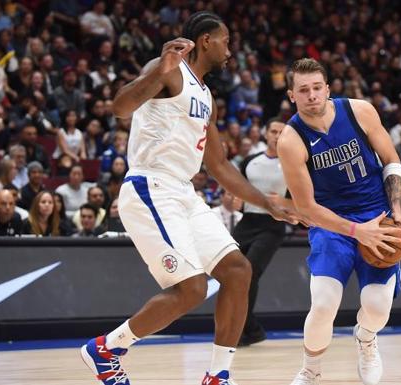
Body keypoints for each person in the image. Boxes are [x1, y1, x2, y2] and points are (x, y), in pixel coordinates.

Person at [80, 12, 294, 385]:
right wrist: (158, 71)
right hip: (151, 186)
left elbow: (219, 166)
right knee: (192, 289)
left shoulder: (206, 95)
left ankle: (217, 375)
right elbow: (120, 107)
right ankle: (107, 348)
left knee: (238, 271)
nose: (230, 50)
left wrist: (268, 202)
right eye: (226, 41)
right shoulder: (169, 69)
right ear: (207, 41)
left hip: (183, 192)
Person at [275, 58, 401, 385]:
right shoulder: (291, 140)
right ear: (292, 96)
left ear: (327, 88)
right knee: (323, 304)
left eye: (317, 88)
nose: (311, 95)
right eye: (303, 90)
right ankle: (311, 370)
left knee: (377, 307)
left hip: (376, 218)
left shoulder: (360, 111)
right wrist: (354, 231)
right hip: (331, 225)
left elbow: (391, 161)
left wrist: (398, 212)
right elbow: (306, 209)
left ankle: (366, 338)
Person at [233, 118, 288, 346]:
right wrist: (237, 198)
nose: (276, 135)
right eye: (273, 131)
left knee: (250, 272)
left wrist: (283, 202)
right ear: (266, 134)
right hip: (247, 222)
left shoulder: (293, 164)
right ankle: (250, 328)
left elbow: (300, 198)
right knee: (231, 272)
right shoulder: (249, 161)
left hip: (272, 225)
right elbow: (238, 188)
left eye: (281, 132)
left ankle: (247, 329)